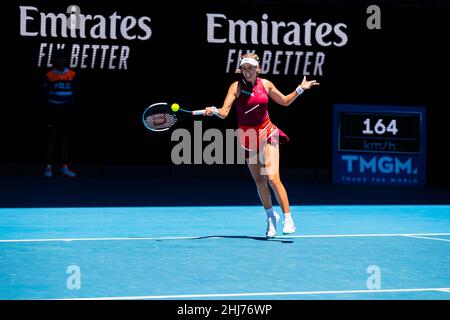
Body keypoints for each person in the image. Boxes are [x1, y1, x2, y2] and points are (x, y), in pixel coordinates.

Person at [204, 53, 319, 237]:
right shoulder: (236, 86)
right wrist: (214, 111)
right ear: (241, 70)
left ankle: (288, 219)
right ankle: (270, 217)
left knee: (272, 177)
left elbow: (284, 101)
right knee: (260, 181)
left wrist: (300, 89)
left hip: (268, 132)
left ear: (258, 69)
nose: (247, 71)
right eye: (244, 68)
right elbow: (225, 112)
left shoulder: (266, 84)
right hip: (247, 136)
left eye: (251, 68)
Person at [43, 50, 78, 178]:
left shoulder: (72, 74)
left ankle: (64, 167)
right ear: (56, 60)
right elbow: (45, 94)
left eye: (63, 59)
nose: (61, 61)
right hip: (54, 110)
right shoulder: (49, 75)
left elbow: (74, 93)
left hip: (66, 111)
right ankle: (48, 168)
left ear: (65, 60)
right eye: (59, 59)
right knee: (51, 139)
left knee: (64, 139)